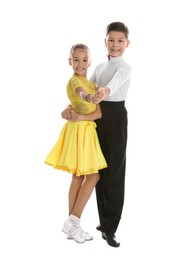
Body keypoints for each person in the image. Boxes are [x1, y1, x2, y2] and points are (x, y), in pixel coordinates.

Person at [61, 21, 132, 247]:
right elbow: (83, 91)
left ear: (126, 43)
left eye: (120, 41)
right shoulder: (99, 67)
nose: (115, 44)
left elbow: (114, 83)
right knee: (97, 170)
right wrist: (71, 107)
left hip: (115, 117)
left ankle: (110, 228)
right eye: (111, 40)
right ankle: (101, 221)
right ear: (105, 41)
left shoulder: (125, 68)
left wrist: (104, 91)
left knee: (114, 171)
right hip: (95, 118)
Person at [45, 43, 107, 244]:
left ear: (90, 61)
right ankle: (74, 221)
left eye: (84, 59)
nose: (80, 64)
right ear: (70, 61)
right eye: (76, 59)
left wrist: (80, 113)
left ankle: (72, 225)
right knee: (93, 176)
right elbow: (80, 93)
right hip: (78, 131)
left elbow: (97, 113)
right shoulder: (75, 82)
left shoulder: (93, 85)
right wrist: (88, 99)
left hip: (86, 131)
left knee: (80, 177)